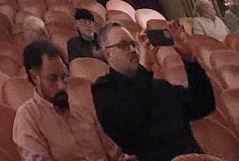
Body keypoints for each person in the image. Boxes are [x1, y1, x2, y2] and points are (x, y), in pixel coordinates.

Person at [91, 22, 214, 161]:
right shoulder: (104, 89)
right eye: (123, 45)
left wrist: (190, 60)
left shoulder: (159, 86)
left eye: (133, 44)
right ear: (108, 54)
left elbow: (203, 105)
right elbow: (132, 120)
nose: (133, 50)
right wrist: (144, 69)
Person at [13, 39, 123, 161]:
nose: (62, 85)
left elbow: (114, 153)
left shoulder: (81, 108)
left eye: (63, 77)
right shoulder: (28, 117)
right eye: (53, 79)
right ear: (35, 77)